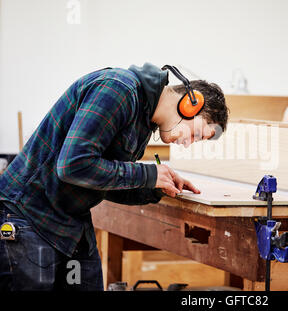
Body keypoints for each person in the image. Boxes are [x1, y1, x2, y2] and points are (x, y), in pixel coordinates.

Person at [0, 62, 229, 290]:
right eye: (196, 133)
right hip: (27, 216)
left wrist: (155, 187)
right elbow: (74, 165)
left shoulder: (143, 121)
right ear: (191, 104)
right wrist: (147, 173)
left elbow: (101, 180)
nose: (188, 143)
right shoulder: (118, 89)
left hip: (69, 223)